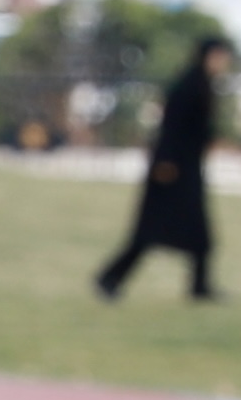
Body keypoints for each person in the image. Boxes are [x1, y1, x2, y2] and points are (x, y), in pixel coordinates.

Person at [96, 34, 231, 302]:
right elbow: (171, 129)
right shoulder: (189, 85)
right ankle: (110, 277)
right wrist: (166, 163)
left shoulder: (203, 84)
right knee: (150, 232)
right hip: (172, 171)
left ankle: (199, 286)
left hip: (188, 168)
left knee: (199, 234)